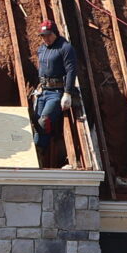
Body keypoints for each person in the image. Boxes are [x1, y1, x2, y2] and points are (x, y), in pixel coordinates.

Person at [29, 20, 77, 159]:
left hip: (56, 92)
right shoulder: (42, 49)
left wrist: (67, 93)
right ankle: (37, 152)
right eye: (43, 36)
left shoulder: (65, 48)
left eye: (48, 35)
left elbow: (71, 71)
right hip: (43, 91)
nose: (46, 38)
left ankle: (39, 152)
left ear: (55, 33)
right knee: (37, 122)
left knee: (45, 121)